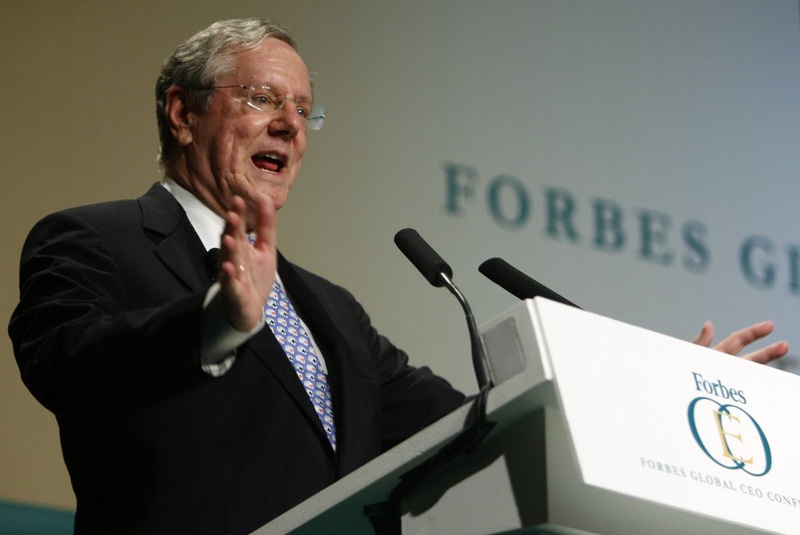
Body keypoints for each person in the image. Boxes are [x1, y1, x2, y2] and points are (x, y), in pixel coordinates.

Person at [8, 18, 788, 535]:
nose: (290, 124)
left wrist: (661, 395)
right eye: (263, 99)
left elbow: (471, 420)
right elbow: (71, 362)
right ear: (182, 113)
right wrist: (215, 324)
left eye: (304, 110)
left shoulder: (331, 310)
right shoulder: (93, 239)